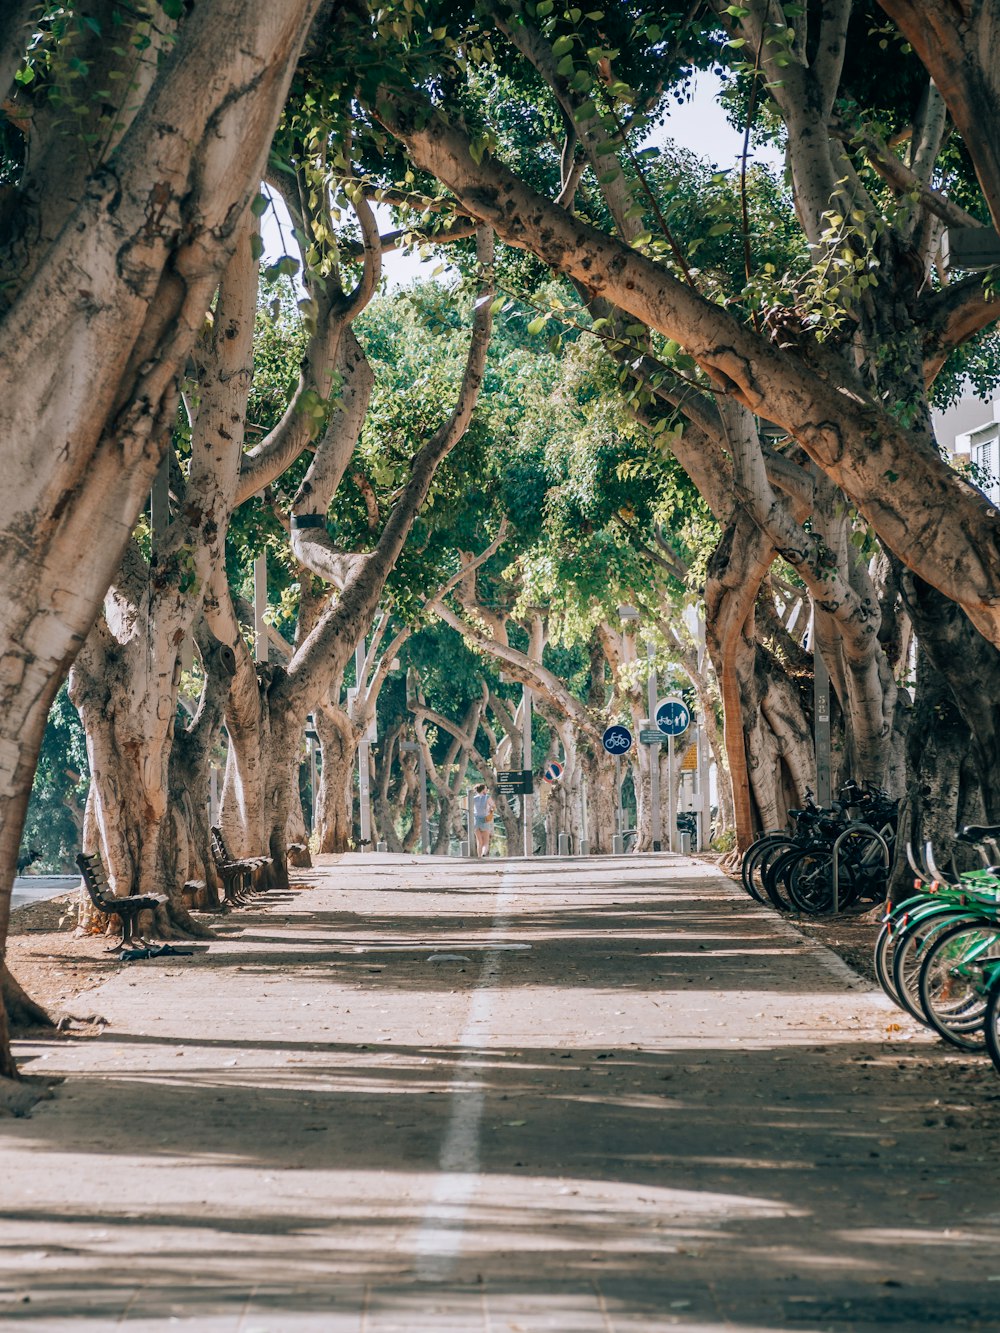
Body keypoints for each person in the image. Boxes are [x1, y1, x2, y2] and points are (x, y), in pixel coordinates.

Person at [472, 783, 495, 857]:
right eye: (486, 789)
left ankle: (479, 857)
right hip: (484, 820)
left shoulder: (474, 798)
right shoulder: (487, 797)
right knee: (486, 841)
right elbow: (493, 806)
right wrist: (491, 810)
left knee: (479, 841)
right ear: (483, 790)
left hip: (476, 820)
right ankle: (484, 853)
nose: (487, 790)